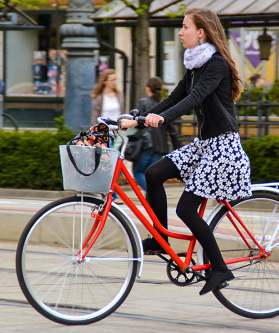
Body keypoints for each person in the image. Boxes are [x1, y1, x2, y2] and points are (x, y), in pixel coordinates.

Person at [120, 7, 251, 296]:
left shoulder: (215, 64)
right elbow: (175, 96)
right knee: (154, 174)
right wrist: (139, 119)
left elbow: (195, 98)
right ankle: (158, 239)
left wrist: (162, 119)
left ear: (200, 32)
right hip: (205, 145)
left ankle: (219, 268)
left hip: (223, 147)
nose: (180, 32)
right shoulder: (194, 64)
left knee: (185, 208)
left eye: (185, 27)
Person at [131, 77, 180, 192]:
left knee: (138, 172)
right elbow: (172, 130)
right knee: (152, 176)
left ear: (148, 89)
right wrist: (177, 147)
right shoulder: (164, 104)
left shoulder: (144, 102)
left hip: (147, 146)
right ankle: (152, 201)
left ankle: (152, 194)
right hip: (160, 148)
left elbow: (138, 123)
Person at [91, 69, 125, 203]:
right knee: (108, 165)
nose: (114, 82)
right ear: (104, 81)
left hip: (117, 134)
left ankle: (108, 193)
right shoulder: (99, 97)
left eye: (115, 80)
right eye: (111, 80)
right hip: (104, 135)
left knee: (115, 165)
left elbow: (122, 113)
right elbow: (94, 117)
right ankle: (113, 196)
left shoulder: (119, 95)